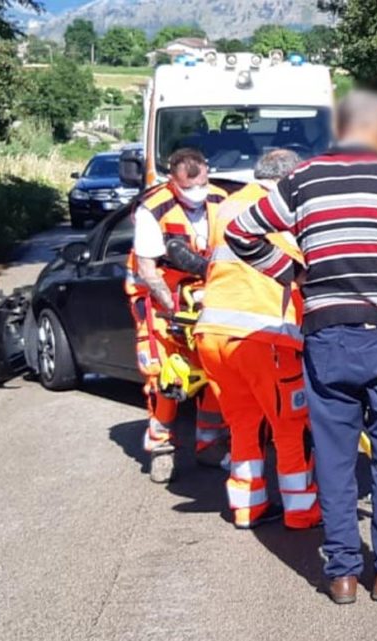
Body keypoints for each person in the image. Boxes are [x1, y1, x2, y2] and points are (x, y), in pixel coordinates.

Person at [224, 91, 377, 605]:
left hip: (326, 336)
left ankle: (342, 575)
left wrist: (293, 273)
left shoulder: (302, 179)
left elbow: (240, 231)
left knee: (333, 460)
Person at [193, 149, 322, 530]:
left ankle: (248, 507)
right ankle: (301, 511)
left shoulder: (228, 207)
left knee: (244, 425)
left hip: (213, 335)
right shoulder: (279, 210)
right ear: (288, 180)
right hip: (263, 338)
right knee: (290, 426)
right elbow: (303, 272)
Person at [126, 148, 229, 483]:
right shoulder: (152, 209)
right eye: (189, 187)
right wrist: (175, 312)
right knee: (166, 376)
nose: (197, 193)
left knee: (215, 368)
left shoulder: (219, 199)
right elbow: (148, 270)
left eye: (201, 183)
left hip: (206, 295)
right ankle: (162, 447)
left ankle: (210, 445)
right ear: (173, 180)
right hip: (161, 299)